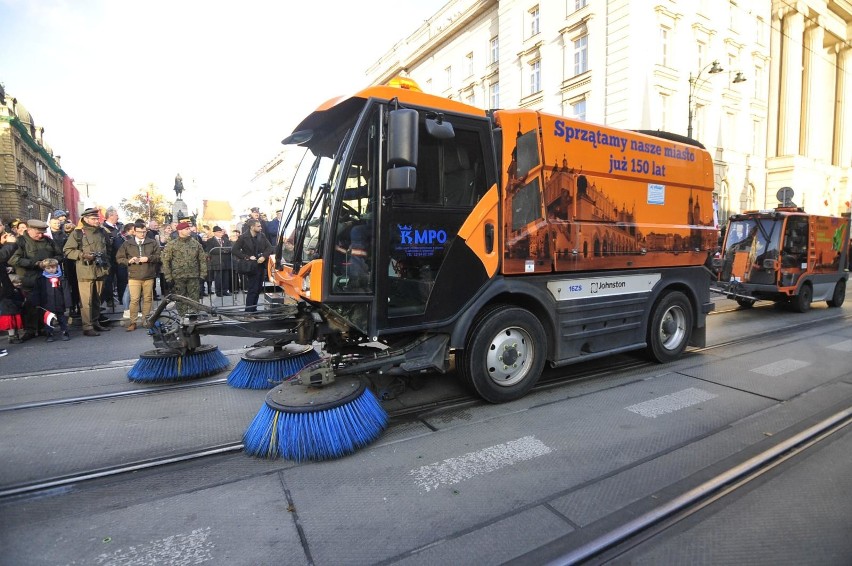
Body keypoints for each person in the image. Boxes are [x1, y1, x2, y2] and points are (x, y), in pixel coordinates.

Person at [8, 219, 64, 341]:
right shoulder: (21, 242)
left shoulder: (49, 241)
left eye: (42, 233)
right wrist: (35, 263)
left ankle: (44, 327)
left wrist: (52, 262)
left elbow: (60, 255)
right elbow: (13, 260)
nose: (40, 235)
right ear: (29, 230)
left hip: (46, 279)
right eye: (38, 233)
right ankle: (30, 330)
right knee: (30, 305)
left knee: (45, 304)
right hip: (29, 278)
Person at [63, 208, 113, 337]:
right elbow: (67, 251)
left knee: (97, 299)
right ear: (85, 219)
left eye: (97, 218)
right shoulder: (78, 233)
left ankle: (95, 322)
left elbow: (108, 249)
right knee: (86, 302)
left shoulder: (102, 231)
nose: (96, 220)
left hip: (100, 270)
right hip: (85, 271)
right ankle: (87, 326)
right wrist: (83, 255)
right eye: (93, 219)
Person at [117, 220, 161, 331]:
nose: (142, 234)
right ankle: (133, 321)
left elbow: (159, 256)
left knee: (147, 299)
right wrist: (129, 261)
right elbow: (119, 258)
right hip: (134, 275)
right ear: (134, 232)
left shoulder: (152, 242)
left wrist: (148, 258)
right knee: (134, 300)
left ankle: (146, 320)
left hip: (148, 274)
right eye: (140, 232)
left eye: (144, 231)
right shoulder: (127, 243)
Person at [161, 221, 207, 316]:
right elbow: (166, 261)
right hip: (178, 277)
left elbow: (202, 260)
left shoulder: (196, 244)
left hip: (193, 276)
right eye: (186, 229)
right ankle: (183, 318)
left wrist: (203, 275)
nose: (189, 230)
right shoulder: (172, 244)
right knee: (180, 299)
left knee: (194, 299)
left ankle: (194, 317)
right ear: (180, 231)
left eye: (189, 228)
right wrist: (168, 277)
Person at [233, 218, 272, 312]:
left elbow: (269, 247)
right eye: (258, 226)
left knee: (258, 289)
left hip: (260, 266)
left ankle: (254, 310)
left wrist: (264, 256)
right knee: (252, 289)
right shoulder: (243, 237)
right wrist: (247, 257)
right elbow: (234, 250)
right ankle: (249, 311)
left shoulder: (261, 235)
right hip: (250, 266)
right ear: (252, 227)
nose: (261, 228)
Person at [28, 258, 71, 342]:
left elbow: (66, 291)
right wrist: (36, 302)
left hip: (59, 302)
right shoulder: (41, 279)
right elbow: (37, 292)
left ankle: (65, 332)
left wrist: (67, 302)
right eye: (48, 268)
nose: (51, 270)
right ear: (44, 269)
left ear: (57, 267)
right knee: (48, 320)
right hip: (46, 303)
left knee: (62, 319)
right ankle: (49, 334)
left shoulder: (61, 278)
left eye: (53, 267)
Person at [204, 226, 231, 296]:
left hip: (226, 261)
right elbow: (211, 250)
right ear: (215, 233)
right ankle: (218, 291)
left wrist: (225, 250)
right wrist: (222, 250)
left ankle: (225, 290)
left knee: (226, 277)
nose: (221, 233)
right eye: (219, 232)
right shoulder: (210, 241)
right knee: (218, 277)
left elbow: (229, 248)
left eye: (221, 232)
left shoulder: (226, 240)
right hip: (217, 261)